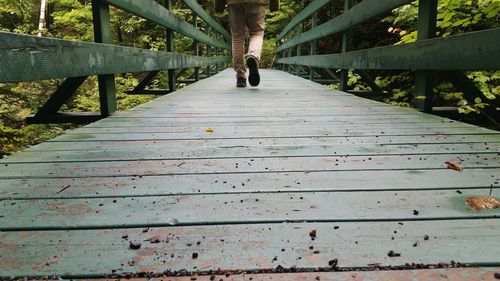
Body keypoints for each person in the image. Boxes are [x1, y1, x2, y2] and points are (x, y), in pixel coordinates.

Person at [215, 0, 279, 88]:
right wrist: (274, 5)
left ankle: (240, 76)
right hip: (257, 2)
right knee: (257, 33)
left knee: (237, 37)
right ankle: (253, 56)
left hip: (234, 3)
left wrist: (219, 6)